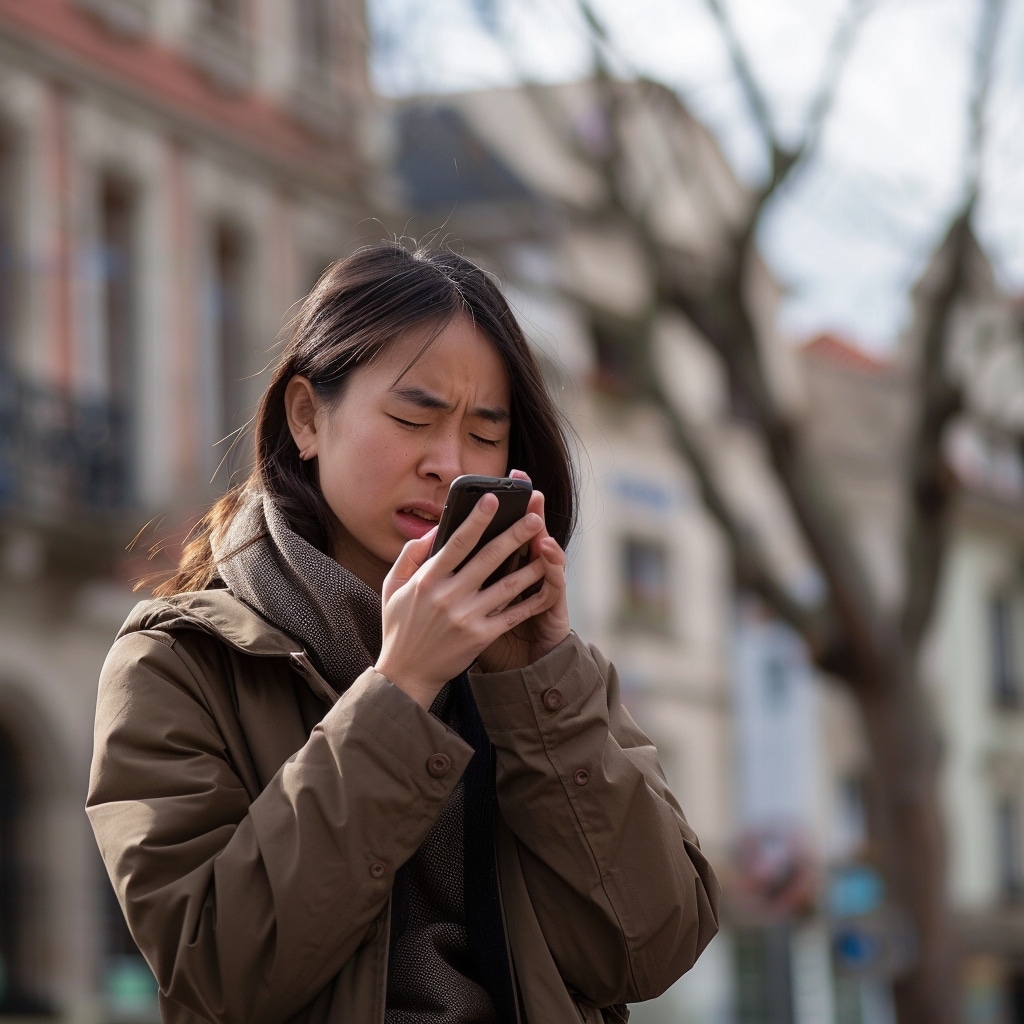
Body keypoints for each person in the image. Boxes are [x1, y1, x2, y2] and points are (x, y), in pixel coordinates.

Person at [86, 240, 720, 1024]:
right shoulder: (178, 662)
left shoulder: (540, 666)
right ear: (307, 416)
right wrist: (398, 691)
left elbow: (652, 947)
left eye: (485, 434)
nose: (449, 463)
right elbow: (218, 969)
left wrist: (535, 681)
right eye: (413, 417)